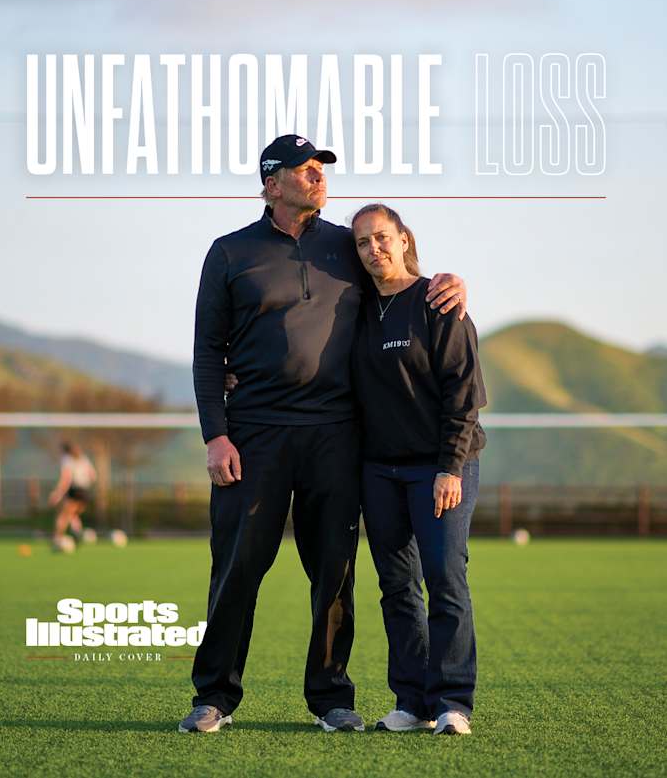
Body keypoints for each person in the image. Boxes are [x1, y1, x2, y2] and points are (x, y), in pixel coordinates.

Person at [179, 135, 469, 734]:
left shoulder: (346, 244)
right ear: (271, 183)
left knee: (336, 571)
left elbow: (402, 284)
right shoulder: (229, 253)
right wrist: (216, 435)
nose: (318, 177)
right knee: (236, 567)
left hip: (337, 435)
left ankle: (331, 697)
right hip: (253, 435)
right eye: (304, 170)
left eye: (320, 169)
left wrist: (451, 283)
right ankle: (215, 696)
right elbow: (208, 351)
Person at [350, 203, 486, 735]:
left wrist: (449, 468)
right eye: (362, 243)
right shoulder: (356, 309)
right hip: (380, 471)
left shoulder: (438, 301)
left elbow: (464, 392)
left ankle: (453, 702)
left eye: (381, 237)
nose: (373, 249)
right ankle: (412, 701)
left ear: (404, 239)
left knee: (446, 579)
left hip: (440, 468)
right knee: (398, 586)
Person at [48, 441, 96, 546]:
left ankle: (57, 538)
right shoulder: (83, 458)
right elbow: (93, 475)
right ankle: (78, 534)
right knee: (73, 514)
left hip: (75, 489)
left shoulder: (67, 459)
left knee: (63, 515)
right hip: (85, 491)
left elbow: (66, 478)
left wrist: (58, 493)